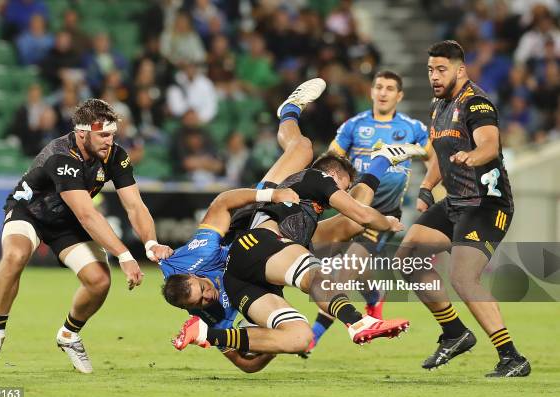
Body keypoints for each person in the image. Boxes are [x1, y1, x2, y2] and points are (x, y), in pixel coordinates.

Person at [171, 79, 414, 359]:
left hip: (246, 272)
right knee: (303, 150)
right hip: (258, 236)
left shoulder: (305, 217)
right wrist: (388, 223)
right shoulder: (318, 179)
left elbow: (353, 222)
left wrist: (381, 161)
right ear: (333, 177)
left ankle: (202, 334)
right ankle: (357, 321)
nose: (344, 193)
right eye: (344, 186)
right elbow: (359, 213)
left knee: (295, 340)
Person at [0, 99, 173, 374]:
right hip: (30, 213)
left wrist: (150, 242)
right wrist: (125, 256)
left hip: (67, 222)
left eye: (112, 134)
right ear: (82, 133)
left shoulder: (115, 154)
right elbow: (87, 215)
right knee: (15, 255)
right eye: (103, 135)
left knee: (99, 282)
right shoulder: (61, 155)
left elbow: (135, 205)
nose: (109, 141)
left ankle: (69, 334)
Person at [395, 40, 530, 377]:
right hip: (455, 202)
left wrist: (473, 155)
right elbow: (441, 154)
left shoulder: (477, 104)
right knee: (407, 257)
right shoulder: (438, 106)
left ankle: (512, 357)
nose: (434, 77)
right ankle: (455, 333)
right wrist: (426, 188)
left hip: (487, 205)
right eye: (430, 70)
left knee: (463, 278)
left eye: (441, 70)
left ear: (460, 69)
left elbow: (489, 144)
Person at [307, 70, 431, 352]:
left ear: (399, 95)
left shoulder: (412, 127)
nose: (384, 92)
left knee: (347, 269)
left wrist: (428, 189)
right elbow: (331, 160)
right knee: (354, 267)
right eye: (379, 87)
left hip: (383, 215)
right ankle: (375, 296)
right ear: (372, 92)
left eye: (390, 88)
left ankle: (311, 337)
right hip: (350, 210)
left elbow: (433, 159)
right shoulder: (354, 125)